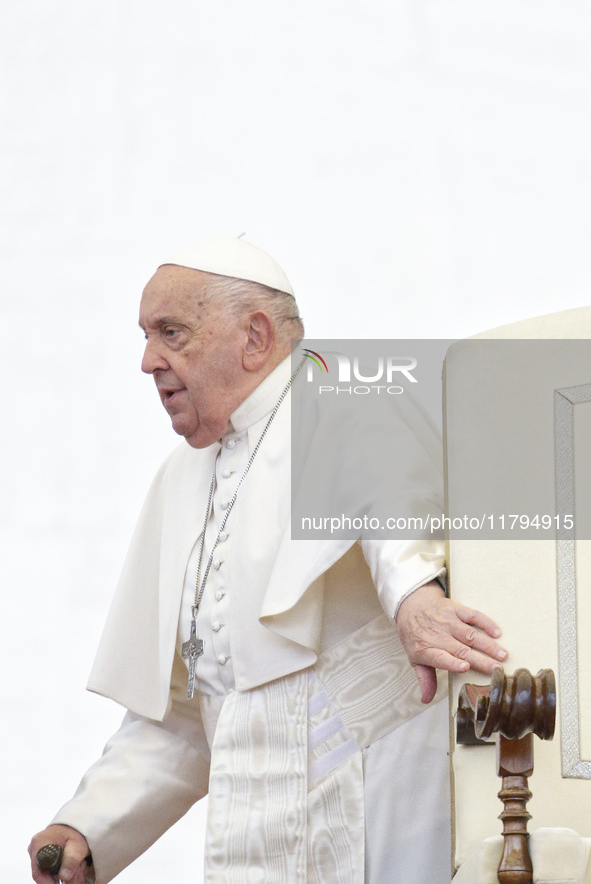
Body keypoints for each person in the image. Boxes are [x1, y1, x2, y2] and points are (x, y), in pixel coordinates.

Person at [29, 237, 507, 884]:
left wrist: (415, 596)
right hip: (248, 830)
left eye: (172, 333)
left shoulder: (343, 404)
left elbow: (389, 498)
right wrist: (87, 824)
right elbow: (185, 715)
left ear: (255, 337)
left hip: (371, 796)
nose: (147, 361)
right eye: (145, 336)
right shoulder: (180, 480)